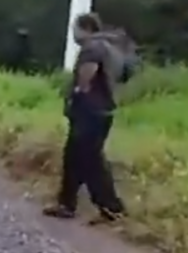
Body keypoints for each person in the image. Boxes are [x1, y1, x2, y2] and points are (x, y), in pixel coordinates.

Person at [43, 12, 127, 224]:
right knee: (79, 158)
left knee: (86, 160)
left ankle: (110, 208)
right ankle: (71, 203)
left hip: (89, 112)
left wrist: (80, 90)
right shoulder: (111, 48)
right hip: (103, 111)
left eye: (75, 29)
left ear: (86, 28)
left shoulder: (92, 47)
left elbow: (88, 71)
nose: (73, 33)